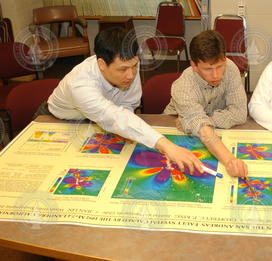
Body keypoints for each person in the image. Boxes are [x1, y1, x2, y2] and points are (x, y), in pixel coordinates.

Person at [35, 27, 202, 174]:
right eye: (122, 69)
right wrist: (168, 147)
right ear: (101, 64)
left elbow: (127, 105)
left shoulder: (129, 65)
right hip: (57, 121)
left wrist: (124, 128)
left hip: (94, 121)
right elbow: (113, 116)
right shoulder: (80, 84)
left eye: (134, 66)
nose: (131, 75)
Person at [164, 30, 248, 177]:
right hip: (172, 126)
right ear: (194, 66)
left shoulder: (231, 68)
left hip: (203, 130)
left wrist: (206, 120)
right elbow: (204, 130)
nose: (216, 75)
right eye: (208, 69)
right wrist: (229, 161)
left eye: (220, 66)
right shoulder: (183, 86)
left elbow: (240, 114)